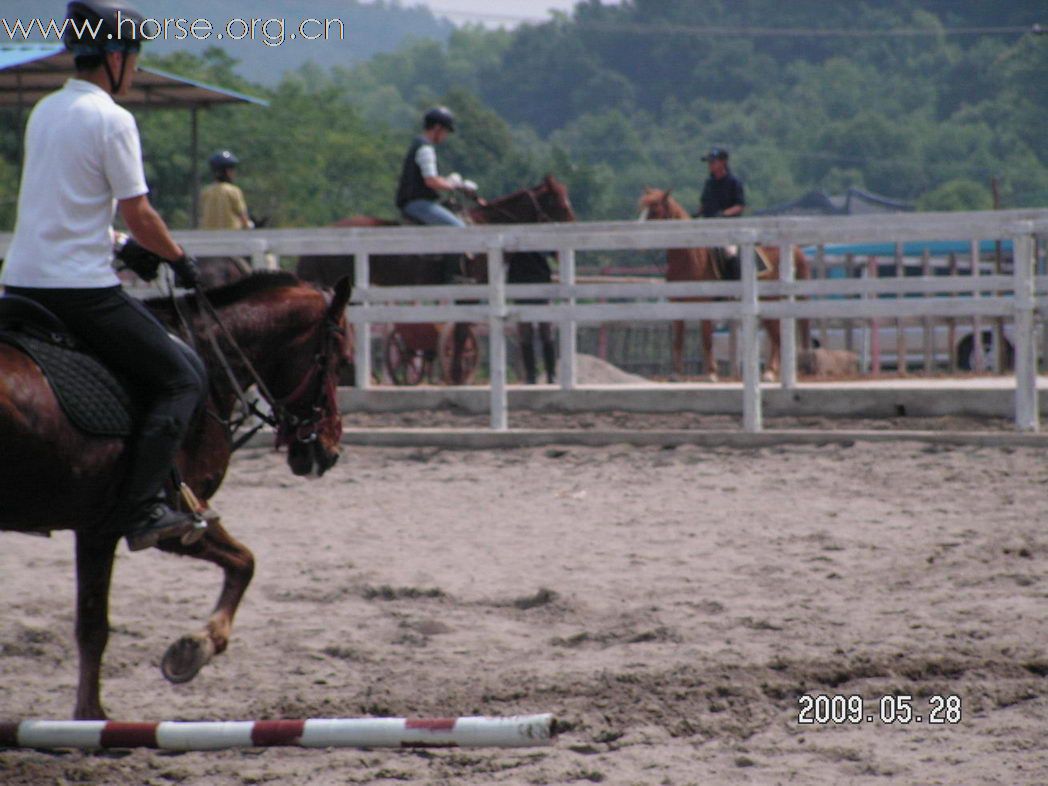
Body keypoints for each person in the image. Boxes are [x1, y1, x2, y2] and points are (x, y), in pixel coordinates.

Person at [0, 0, 206, 551]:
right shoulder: (114, 119)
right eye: (134, 56)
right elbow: (140, 212)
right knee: (182, 377)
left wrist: (119, 245)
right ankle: (142, 509)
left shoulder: (45, 109)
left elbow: (61, 206)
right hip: (79, 293)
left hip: (20, 286)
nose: (135, 69)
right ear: (113, 55)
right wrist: (178, 258)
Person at [394, 106, 477, 283]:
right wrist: (456, 185)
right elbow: (431, 181)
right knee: (460, 230)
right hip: (417, 202)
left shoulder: (419, 144)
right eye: (446, 131)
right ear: (437, 128)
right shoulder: (426, 148)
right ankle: (453, 276)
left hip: (414, 200)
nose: (445, 136)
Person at [200, 150, 253, 231]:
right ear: (226, 171)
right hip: (231, 237)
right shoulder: (233, 191)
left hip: (208, 238)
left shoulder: (206, 192)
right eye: (231, 169)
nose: (234, 172)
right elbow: (244, 219)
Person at [696, 147, 745, 219]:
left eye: (713, 162)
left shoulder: (733, 182)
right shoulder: (709, 183)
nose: (710, 165)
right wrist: (696, 214)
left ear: (723, 162)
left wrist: (723, 214)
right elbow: (704, 203)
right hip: (709, 223)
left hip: (729, 224)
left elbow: (739, 206)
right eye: (709, 162)